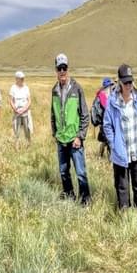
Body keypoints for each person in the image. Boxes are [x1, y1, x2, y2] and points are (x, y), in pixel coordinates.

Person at [102, 64, 137, 228]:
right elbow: (107, 125)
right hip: (121, 153)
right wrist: (113, 144)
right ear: (120, 82)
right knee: (122, 187)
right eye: (126, 82)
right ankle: (125, 221)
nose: (129, 85)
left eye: (130, 82)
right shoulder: (112, 101)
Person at [49, 53, 90, 204]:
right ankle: (69, 195)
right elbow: (53, 113)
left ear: (68, 68)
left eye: (64, 68)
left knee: (80, 173)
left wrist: (80, 136)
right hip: (61, 139)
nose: (62, 71)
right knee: (63, 172)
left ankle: (85, 200)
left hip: (74, 139)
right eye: (59, 68)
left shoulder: (76, 89)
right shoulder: (54, 90)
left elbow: (85, 115)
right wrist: (55, 133)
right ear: (56, 70)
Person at [91, 77, 114, 159]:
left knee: (105, 141)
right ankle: (109, 159)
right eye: (111, 85)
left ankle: (100, 156)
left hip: (103, 123)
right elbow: (106, 109)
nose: (112, 87)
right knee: (108, 141)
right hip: (105, 122)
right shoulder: (103, 96)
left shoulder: (101, 94)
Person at [10, 70, 33, 143]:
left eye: (23, 78)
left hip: (25, 112)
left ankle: (28, 144)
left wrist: (24, 109)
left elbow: (29, 101)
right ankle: (17, 145)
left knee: (27, 129)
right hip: (17, 112)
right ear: (17, 79)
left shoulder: (26, 88)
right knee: (17, 130)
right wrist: (15, 109)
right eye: (21, 78)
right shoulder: (13, 88)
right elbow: (11, 100)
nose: (23, 79)